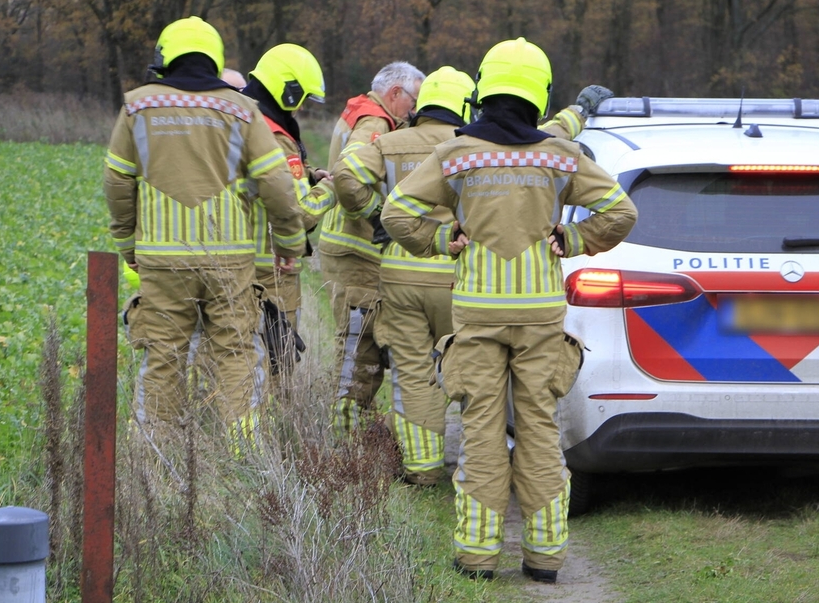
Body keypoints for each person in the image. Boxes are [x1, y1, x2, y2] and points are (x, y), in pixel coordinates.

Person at [381, 38, 637, 583]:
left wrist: (441, 239)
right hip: (542, 320)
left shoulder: (457, 154)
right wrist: (571, 237)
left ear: (484, 88)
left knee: (480, 433)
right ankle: (545, 558)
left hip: (475, 317)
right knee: (541, 431)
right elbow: (620, 213)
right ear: (537, 94)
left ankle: (476, 556)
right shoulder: (559, 156)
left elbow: (397, 214)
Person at [104, 16, 306, 442]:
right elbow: (276, 183)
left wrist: (128, 245)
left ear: (166, 56)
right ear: (214, 59)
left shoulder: (136, 106)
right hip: (229, 262)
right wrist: (289, 242)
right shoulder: (242, 109)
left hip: (162, 260)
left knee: (163, 356)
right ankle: (243, 452)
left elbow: (117, 181)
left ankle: (156, 457)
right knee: (235, 352)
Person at [319, 61, 424, 431]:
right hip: (356, 248)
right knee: (358, 348)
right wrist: (378, 216)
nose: (413, 112)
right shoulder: (375, 123)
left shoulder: (360, 110)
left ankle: (351, 430)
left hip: (343, 241)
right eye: (412, 102)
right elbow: (349, 177)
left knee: (357, 344)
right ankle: (345, 437)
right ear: (395, 93)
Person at [241, 43, 336, 392]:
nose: (300, 108)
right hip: (271, 268)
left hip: (235, 261)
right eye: (301, 98)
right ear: (287, 89)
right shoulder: (275, 135)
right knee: (276, 368)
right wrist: (331, 190)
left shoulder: (239, 115)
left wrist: (307, 175)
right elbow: (299, 215)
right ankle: (275, 440)